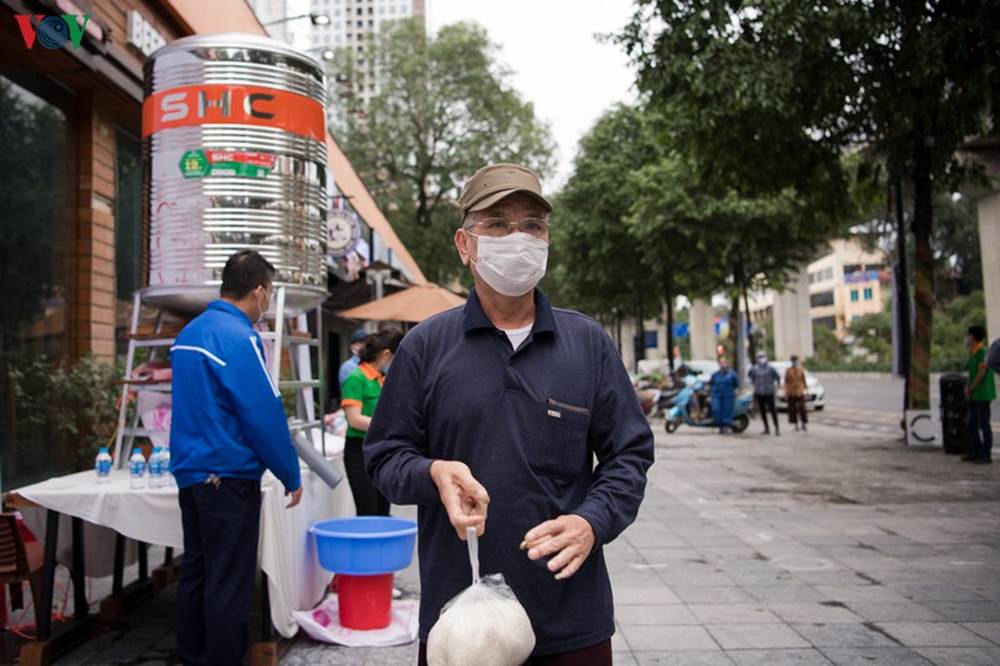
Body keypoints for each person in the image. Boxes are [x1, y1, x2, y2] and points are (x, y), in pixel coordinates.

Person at [364, 163, 655, 664]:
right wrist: (433, 472)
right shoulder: (424, 347)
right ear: (465, 244)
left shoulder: (587, 344)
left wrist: (592, 520)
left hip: (570, 617)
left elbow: (628, 455)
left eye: (532, 225)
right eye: (497, 224)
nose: (517, 237)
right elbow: (385, 459)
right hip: (461, 623)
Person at [169, 250, 302, 666]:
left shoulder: (189, 333)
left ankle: (194, 657)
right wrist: (289, 472)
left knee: (197, 571)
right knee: (229, 581)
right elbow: (261, 411)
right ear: (259, 291)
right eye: (271, 292)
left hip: (191, 473)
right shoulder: (238, 336)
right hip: (227, 476)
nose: (269, 300)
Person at [341, 329, 404, 516]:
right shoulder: (356, 378)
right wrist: (389, 426)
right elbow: (354, 420)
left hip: (381, 448)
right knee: (368, 510)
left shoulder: (382, 379)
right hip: (359, 450)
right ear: (386, 354)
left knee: (383, 509)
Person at [963, 325, 995, 464]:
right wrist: (967, 387)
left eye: (968, 335)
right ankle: (975, 451)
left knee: (984, 424)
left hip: (982, 394)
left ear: (973, 337)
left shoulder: (983, 352)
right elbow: (971, 373)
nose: (966, 337)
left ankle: (985, 454)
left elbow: (981, 374)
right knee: (970, 423)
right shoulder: (973, 352)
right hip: (974, 394)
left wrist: (971, 388)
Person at [748, 353, 781, 436]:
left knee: (773, 411)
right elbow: (750, 377)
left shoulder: (771, 368)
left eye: (763, 357)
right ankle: (766, 428)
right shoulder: (754, 369)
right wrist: (754, 386)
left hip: (769, 393)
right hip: (759, 393)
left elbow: (777, 377)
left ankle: (777, 428)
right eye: (760, 357)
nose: (762, 359)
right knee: (762, 411)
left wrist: (777, 387)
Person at [710, 357, 739, 433]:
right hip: (717, 396)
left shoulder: (732, 374)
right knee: (716, 409)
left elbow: (736, 384)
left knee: (727, 411)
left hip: (728, 396)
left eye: (724, 362)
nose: (723, 364)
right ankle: (719, 426)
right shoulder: (715, 374)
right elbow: (711, 384)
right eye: (721, 363)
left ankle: (726, 426)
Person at [784, 355, 808, 432]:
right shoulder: (788, 370)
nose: (794, 362)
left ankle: (804, 423)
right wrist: (786, 392)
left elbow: (804, 380)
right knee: (793, 409)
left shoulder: (801, 369)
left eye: (795, 360)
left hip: (800, 391)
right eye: (793, 360)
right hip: (791, 392)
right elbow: (786, 382)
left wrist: (806, 390)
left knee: (802, 408)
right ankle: (796, 424)